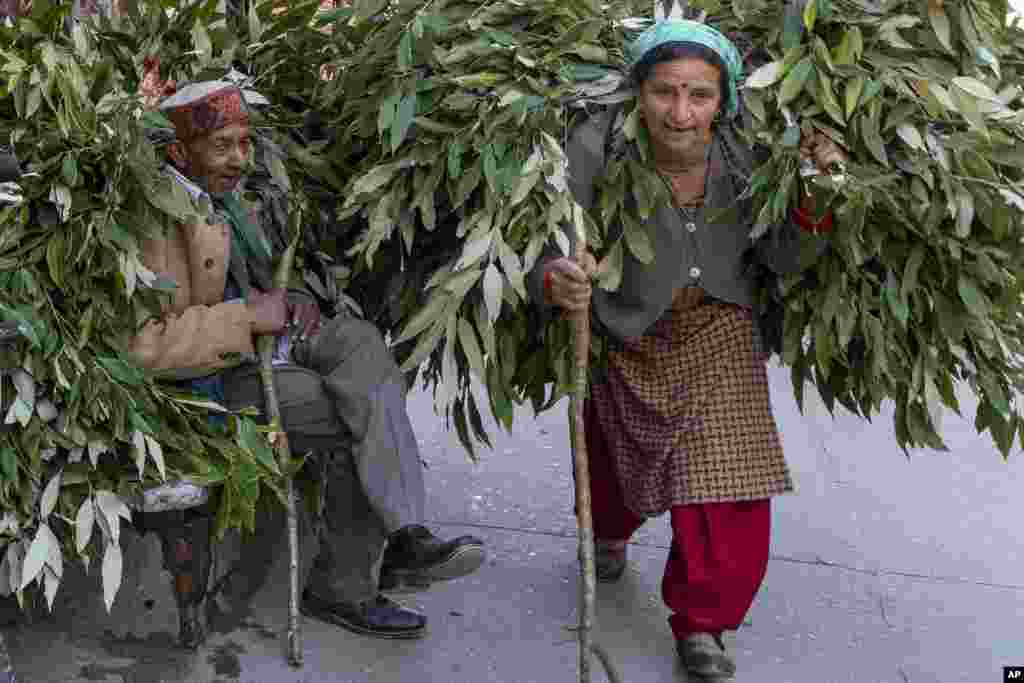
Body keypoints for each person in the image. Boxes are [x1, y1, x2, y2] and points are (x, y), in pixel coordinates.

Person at [529, 20, 845, 679]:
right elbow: (550, 236)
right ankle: (608, 529)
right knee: (621, 462)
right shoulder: (595, 146)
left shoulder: (749, 152)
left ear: (724, 100)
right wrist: (558, 276)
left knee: (727, 480)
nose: (681, 113)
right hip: (627, 329)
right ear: (638, 92)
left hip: (720, 327)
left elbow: (784, 256)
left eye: (699, 95)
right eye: (664, 92)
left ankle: (706, 620)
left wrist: (816, 191)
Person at [128, 79, 485, 640]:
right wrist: (248, 317)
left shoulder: (226, 197)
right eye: (223, 146)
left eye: (245, 143)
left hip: (274, 340)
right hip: (216, 379)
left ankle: (406, 533)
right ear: (180, 151)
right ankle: (345, 586)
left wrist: (291, 302)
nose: (240, 159)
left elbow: (250, 276)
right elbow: (142, 346)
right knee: (354, 413)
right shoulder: (154, 219)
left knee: (364, 347)